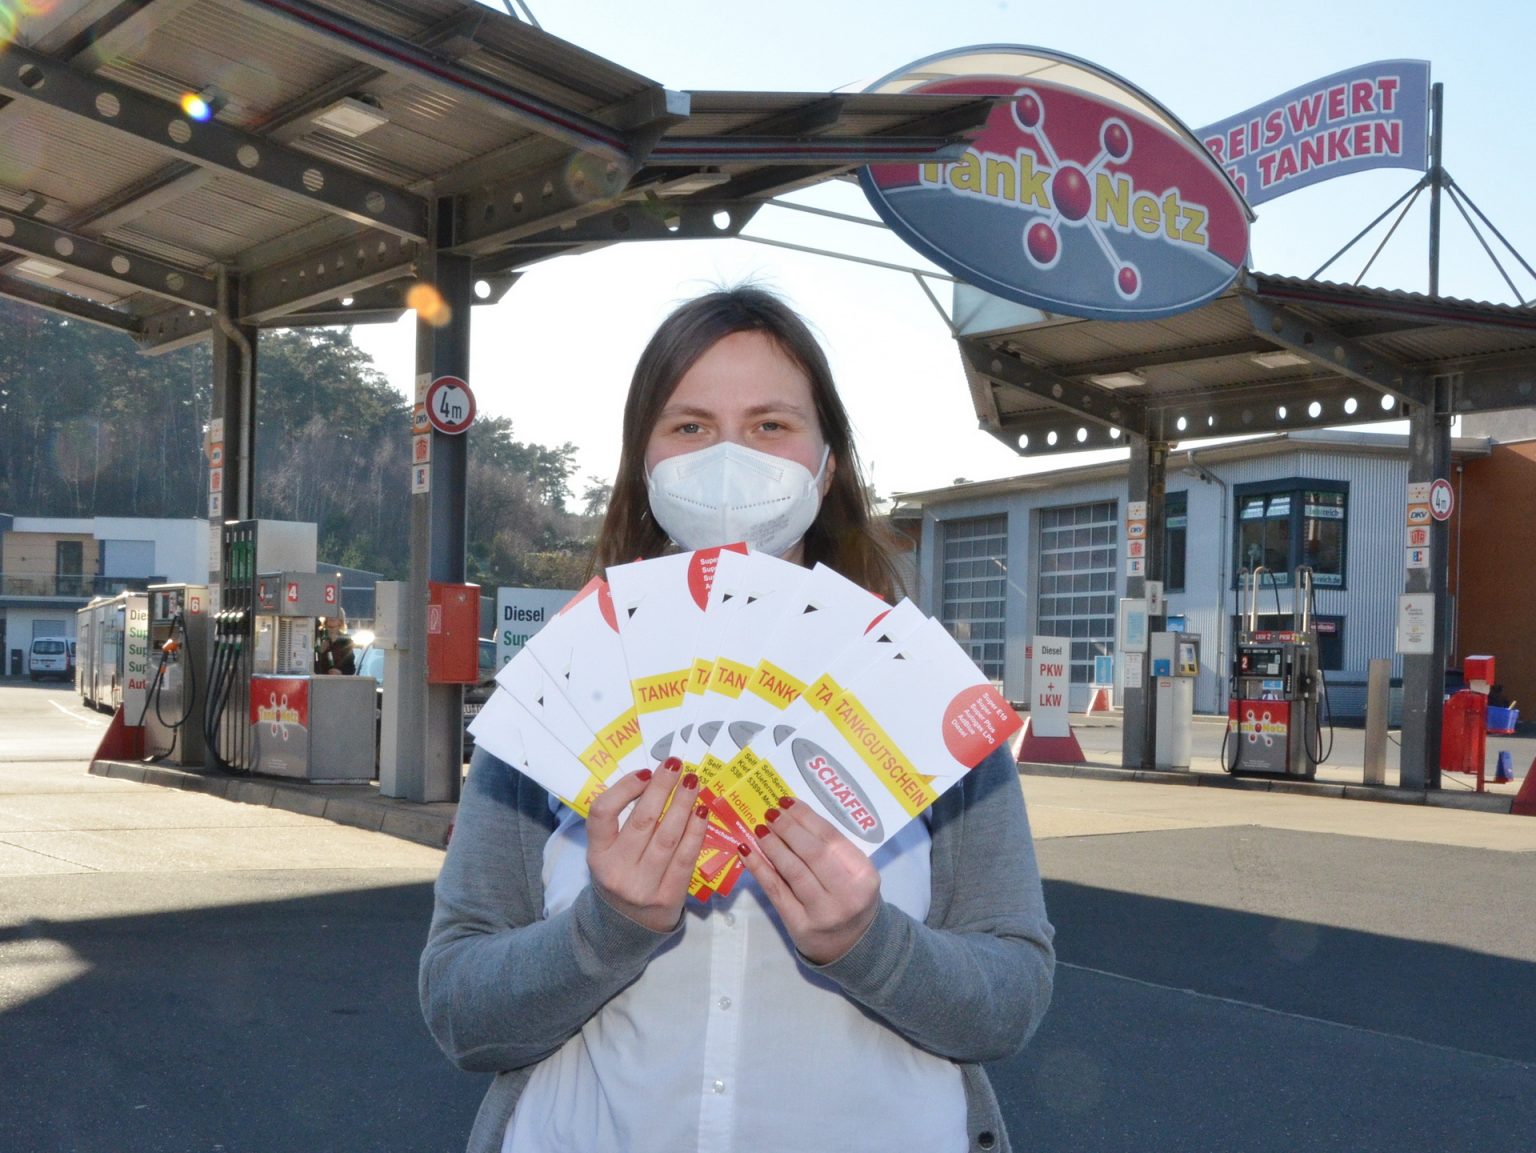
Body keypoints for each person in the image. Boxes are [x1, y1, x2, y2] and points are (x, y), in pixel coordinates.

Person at [419, 287, 1055, 1153]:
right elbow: (461, 1008)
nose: (728, 459)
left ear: (826, 466)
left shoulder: (920, 699)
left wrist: (870, 941)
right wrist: (606, 927)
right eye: (688, 426)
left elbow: (1011, 994)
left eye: (769, 426)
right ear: (643, 465)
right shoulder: (558, 695)